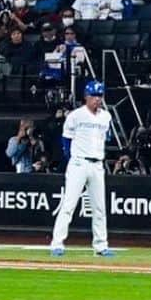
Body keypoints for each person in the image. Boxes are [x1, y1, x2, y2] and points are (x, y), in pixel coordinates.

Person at [49, 79, 115, 258]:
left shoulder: (106, 116)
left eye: (100, 96)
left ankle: (101, 246)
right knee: (69, 204)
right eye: (94, 96)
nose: (98, 99)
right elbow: (66, 140)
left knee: (99, 207)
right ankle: (57, 243)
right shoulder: (76, 115)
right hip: (79, 163)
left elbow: (105, 139)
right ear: (86, 97)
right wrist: (72, 159)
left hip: (97, 164)